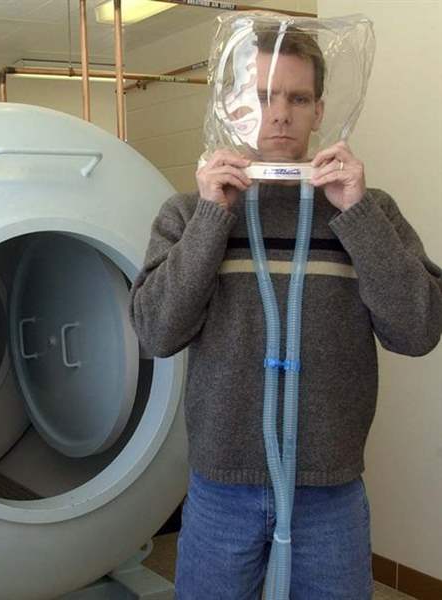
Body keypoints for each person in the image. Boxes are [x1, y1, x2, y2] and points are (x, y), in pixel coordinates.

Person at [129, 26, 442, 599]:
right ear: (234, 106)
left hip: (329, 494)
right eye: (263, 96)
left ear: (319, 110)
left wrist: (358, 215)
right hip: (222, 491)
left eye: (297, 98)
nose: (279, 115)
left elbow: (418, 330)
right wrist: (211, 218)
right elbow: (156, 331)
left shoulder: (368, 212)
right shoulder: (189, 213)